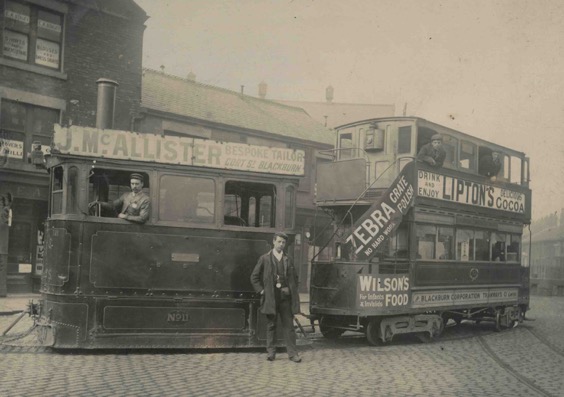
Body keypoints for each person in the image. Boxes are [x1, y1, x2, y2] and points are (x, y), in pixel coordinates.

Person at [250, 232, 301, 363]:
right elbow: (254, 277)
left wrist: (290, 289)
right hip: (271, 298)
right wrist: (261, 291)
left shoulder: (288, 259)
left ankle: (293, 354)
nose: (281, 244)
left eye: (283, 242)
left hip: (285, 299)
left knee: (289, 327)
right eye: (279, 242)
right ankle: (271, 353)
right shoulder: (265, 259)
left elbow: (295, 278)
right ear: (274, 242)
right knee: (271, 325)